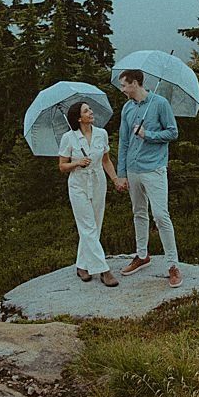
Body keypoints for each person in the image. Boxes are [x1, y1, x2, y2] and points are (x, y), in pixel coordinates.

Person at [114, 69, 182, 287]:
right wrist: (121, 173)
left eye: (124, 85)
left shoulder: (160, 103)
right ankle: (142, 255)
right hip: (133, 170)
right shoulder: (127, 108)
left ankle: (173, 265)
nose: (122, 89)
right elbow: (123, 142)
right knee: (138, 213)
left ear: (135, 83)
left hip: (154, 169)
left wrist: (148, 135)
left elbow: (173, 133)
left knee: (161, 216)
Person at [59, 101, 119, 287]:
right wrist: (76, 163)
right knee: (87, 226)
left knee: (95, 224)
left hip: (98, 181)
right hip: (78, 184)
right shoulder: (69, 138)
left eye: (90, 109)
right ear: (79, 118)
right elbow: (62, 166)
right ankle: (103, 270)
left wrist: (115, 180)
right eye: (87, 111)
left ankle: (82, 265)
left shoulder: (102, 134)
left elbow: (106, 161)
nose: (91, 112)